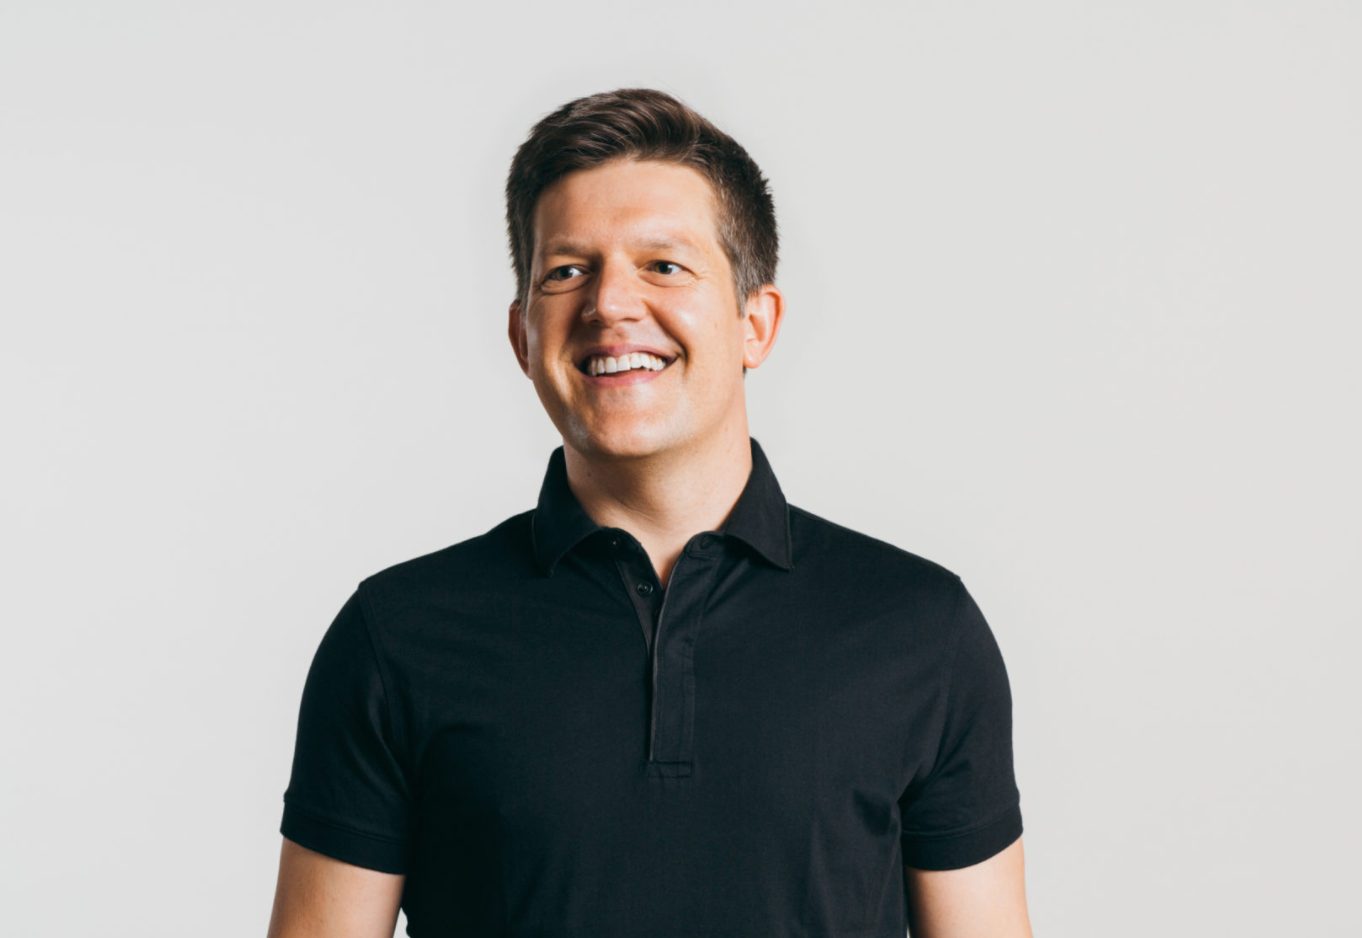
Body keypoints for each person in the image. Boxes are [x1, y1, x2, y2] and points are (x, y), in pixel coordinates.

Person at [267, 87, 1032, 938]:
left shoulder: (920, 628)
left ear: (755, 323)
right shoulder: (395, 637)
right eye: (567, 271)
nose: (609, 304)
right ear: (523, 337)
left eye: (663, 265)